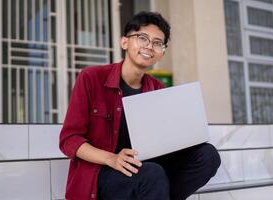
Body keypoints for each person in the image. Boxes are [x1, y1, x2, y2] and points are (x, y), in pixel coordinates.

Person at [59, 11, 221, 200]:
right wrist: (112, 158)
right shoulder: (91, 78)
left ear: (161, 53)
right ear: (125, 42)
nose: (149, 46)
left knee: (208, 155)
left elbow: (162, 140)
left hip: (143, 169)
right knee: (152, 175)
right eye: (142, 38)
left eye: (157, 43)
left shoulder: (157, 88)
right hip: (101, 173)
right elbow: (69, 140)